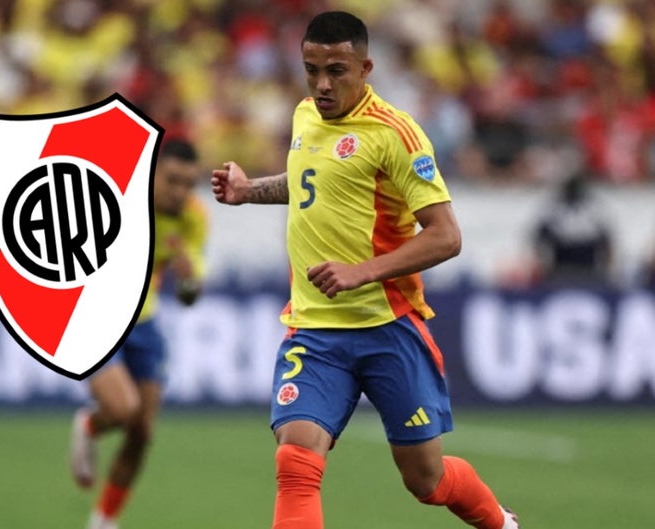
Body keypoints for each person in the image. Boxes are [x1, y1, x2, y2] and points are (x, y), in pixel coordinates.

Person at [211, 11, 519, 529]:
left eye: (336, 71)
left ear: (365, 67)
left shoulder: (395, 134)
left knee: (426, 481)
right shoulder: (305, 115)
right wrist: (248, 191)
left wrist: (363, 272)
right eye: (312, 70)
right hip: (315, 329)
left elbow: (446, 235)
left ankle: (501, 524)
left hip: (387, 327)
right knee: (295, 460)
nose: (322, 85)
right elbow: (311, 181)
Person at [69, 138, 208, 529]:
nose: (180, 192)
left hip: (145, 320)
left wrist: (188, 280)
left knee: (142, 432)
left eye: (188, 184)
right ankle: (90, 424)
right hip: (97, 317)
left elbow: (189, 296)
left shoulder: (193, 218)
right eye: (172, 180)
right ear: (153, 173)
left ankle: (103, 522)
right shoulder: (118, 199)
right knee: (123, 409)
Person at [533, 172, 613, 286]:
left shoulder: (591, 207)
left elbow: (540, 239)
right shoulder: (592, 208)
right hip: (568, 267)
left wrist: (543, 265)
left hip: (580, 268)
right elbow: (606, 242)